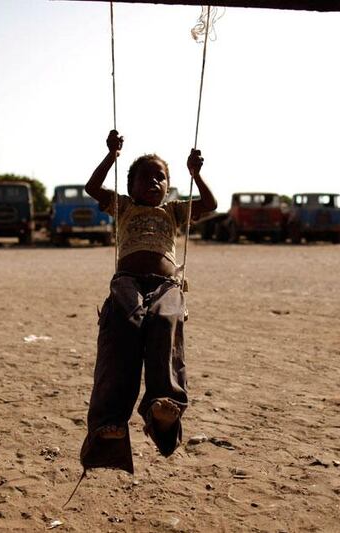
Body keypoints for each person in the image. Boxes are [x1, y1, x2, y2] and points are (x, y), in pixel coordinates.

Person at [80, 130, 217, 473]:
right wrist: (111, 156)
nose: (154, 181)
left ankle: (163, 403)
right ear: (130, 186)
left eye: (161, 177)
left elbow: (211, 205)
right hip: (127, 282)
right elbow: (92, 189)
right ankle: (110, 422)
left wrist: (196, 174)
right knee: (124, 327)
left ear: (169, 186)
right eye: (146, 177)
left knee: (164, 320)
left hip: (166, 284)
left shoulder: (173, 211)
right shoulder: (124, 207)